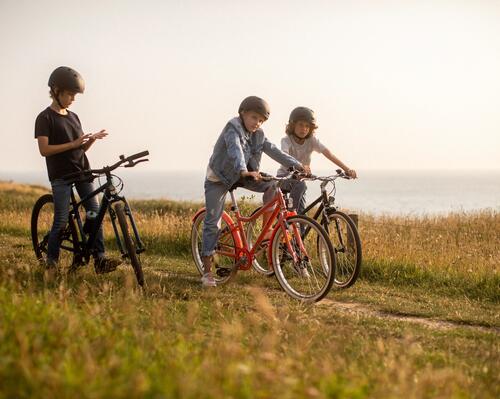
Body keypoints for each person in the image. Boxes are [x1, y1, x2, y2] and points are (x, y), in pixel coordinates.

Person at [201, 96, 305, 287]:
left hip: (245, 174)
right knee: (212, 223)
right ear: (242, 113)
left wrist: (299, 166)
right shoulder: (233, 127)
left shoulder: (259, 134)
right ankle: (207, 273)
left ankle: (265, 231)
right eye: (254, 117)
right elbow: (235, 150)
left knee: (273, 185)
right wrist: (243, 170)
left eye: (261, 120)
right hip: (220, 178)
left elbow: (275, 151)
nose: (257, 123)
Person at [34, 66, 121, 274]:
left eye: (74, 95)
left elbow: (79, 148)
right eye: (69, 94)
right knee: (62, 220)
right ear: (56, 90)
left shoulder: (74, 116)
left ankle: (99, 259)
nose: (72, 99)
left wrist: (90, 141)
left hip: (82, 171)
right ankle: (51, 265)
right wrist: (74, 144)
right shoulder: (44, 118)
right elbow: (44, 150)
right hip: (61, 177)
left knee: (94, 213)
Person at [277, 106, 357, 214]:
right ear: (293, 125)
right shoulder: (286, 140)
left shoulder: (312, 141)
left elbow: (329, 154)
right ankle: (290, 217)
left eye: (307, 126)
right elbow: (284, 156)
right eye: (300, 124)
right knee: (300, 192)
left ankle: (296, 224)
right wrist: (300, 166)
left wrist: (347, 169)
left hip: (301, 180)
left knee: (302, 214)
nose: (304, 129)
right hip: (284, 178)